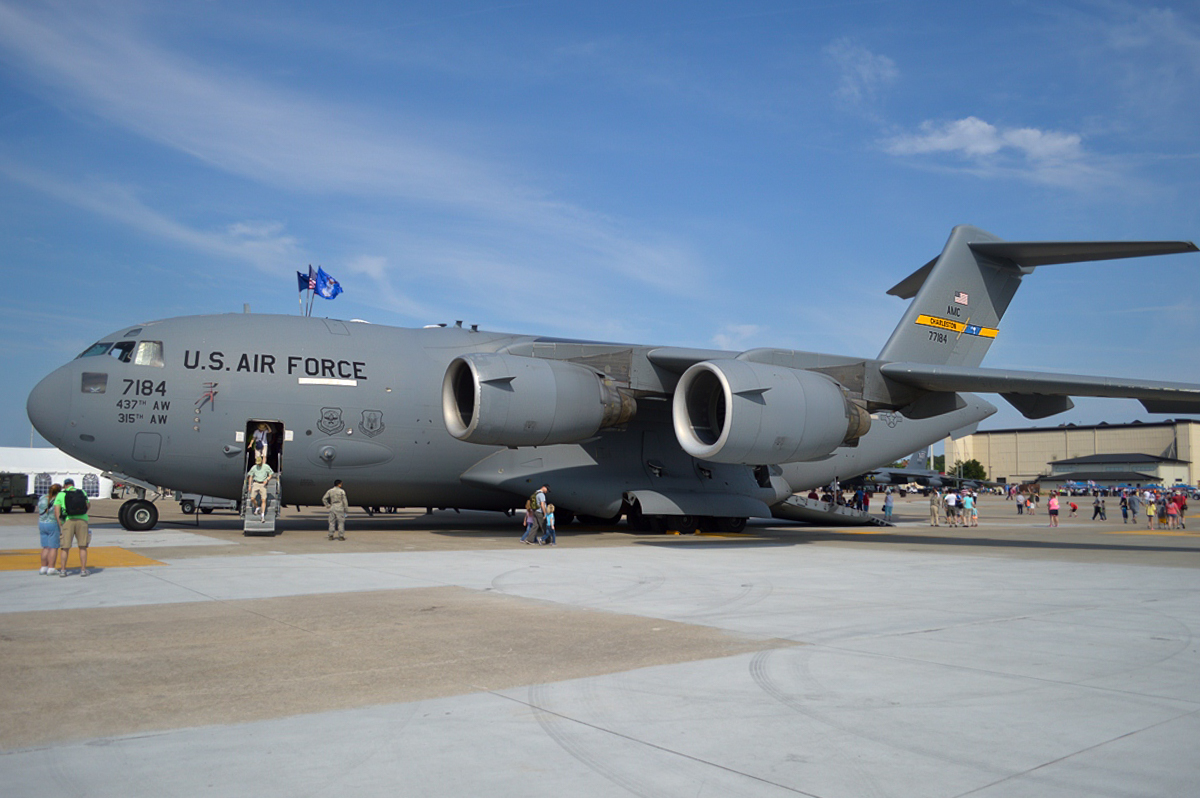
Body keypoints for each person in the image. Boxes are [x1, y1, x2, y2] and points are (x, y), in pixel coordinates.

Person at [55, 478, 90, 577]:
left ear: (65, 485)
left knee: (65, 547)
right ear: (73, 484)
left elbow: (56, 510)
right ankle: (83, 570)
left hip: (68, 520)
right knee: (82, 546)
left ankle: (63, 570)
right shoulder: (82, 492)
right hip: (82, 520)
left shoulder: (61, 494)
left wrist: (60, 523)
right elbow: (88, 505)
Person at [37, 483, 62, 575]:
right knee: (53, 547)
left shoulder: (42, 498)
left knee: (45, 547)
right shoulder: (56, 500)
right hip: (52, 523)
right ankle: (51, 568)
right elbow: (57, 513)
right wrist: (61, 526)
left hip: (42, 522)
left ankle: (43, 567)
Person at [246, 457, 275, 522]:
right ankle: (257, 507)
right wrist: (249, 486)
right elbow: (250, 476)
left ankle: (262, 515)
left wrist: (267, 479)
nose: (258, 464)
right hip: (256, 483)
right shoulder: (254, 467)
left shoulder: (266, 467)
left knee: (263, 499)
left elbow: (271, 474)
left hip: (263, 484)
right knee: (252, 498)